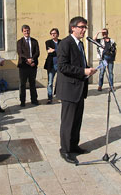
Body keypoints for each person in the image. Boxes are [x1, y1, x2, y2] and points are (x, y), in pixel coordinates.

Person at [56, 16, 97, 164]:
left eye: (85, 27)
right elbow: (62, 67)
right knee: (68, 122)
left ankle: (74, 146)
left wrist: (87, 71)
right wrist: (83, 71)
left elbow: (80, 64)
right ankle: (65, 150)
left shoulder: (80, 44)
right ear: (73, 28)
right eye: (81, 27)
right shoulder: (65, 44)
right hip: (69, 89)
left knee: (77, 121)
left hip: (79, 88)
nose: (84, 30)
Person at [17, 25, 40, 107]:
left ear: (30, 31)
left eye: (28, 30)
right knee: (22, 84)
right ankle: (22, 101)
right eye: (25, 31)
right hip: (23, 66)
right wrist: (27, 60)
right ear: (22, 32)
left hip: (33, 65)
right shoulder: (20, 42)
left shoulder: (34, 41)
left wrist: (32, 60)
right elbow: (20, 53)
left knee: (32, 83)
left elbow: (37, 52)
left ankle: (34, 99)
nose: (27, 32)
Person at [44, 28, 61, 104]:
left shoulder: (61, 42)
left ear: (57, 34)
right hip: (51, 65)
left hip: (60, 64)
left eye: (54, 33)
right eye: (51, 33)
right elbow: (49, 52)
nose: (53, 35)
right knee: (50, 82)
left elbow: (63, 52)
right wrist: (58, 50)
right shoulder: (48, 42)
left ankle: (59, 96)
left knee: (60, 81)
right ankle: (49, 97)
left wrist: (54, 50)